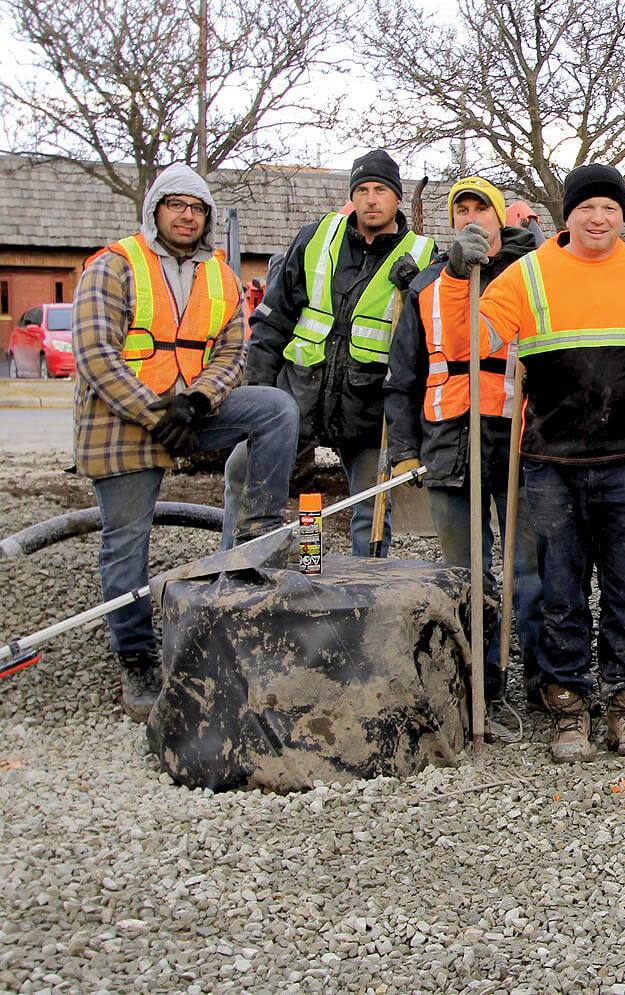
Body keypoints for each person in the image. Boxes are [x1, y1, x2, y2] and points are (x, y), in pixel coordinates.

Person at [448, 163, 625, 762]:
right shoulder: (527, 275)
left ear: (624, 215)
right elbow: (468, 342)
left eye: (610, 208)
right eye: (586, 208)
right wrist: (454, 276)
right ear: (567, 215)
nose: (598, 219)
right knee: (561, 592)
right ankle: (568, 707)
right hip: (550, 462)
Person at [72, 164, 298, 719]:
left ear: (207, 217)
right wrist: (156, 414)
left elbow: (231, 352)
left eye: (195, 208)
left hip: (191, 410)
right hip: (122, 420)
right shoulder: (113, 266)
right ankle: (136, 659)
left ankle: (259, 532)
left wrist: (197, 402)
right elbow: (96, 356)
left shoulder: (220, 275)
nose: (186, 215)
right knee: (127, 543)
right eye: (175, 205)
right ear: (155, 211)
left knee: (275, 410)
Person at [384, 176, 544, 701]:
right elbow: (404, 375)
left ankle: (545, 681)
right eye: (462, 208)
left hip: (518, 444)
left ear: (502, 218)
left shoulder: (528, 279)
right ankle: (479, 683)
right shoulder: (426, 285)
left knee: (530, 572)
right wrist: (405, 451)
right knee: (466, 574)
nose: (471, 216)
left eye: (483, 208)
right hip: (450, 444)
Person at [239, 150, 436, 555]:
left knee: (372, 508)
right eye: (362, 190)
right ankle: (239, 568)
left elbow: (424, 349)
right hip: (298, 394)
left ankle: (366, 590)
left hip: (369, 409)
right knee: (243, 477)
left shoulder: (420, 255)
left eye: (380, 190)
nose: (370, 199)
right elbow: (273, 319)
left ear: (397, 198)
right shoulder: (317, 238)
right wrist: (258, 394)